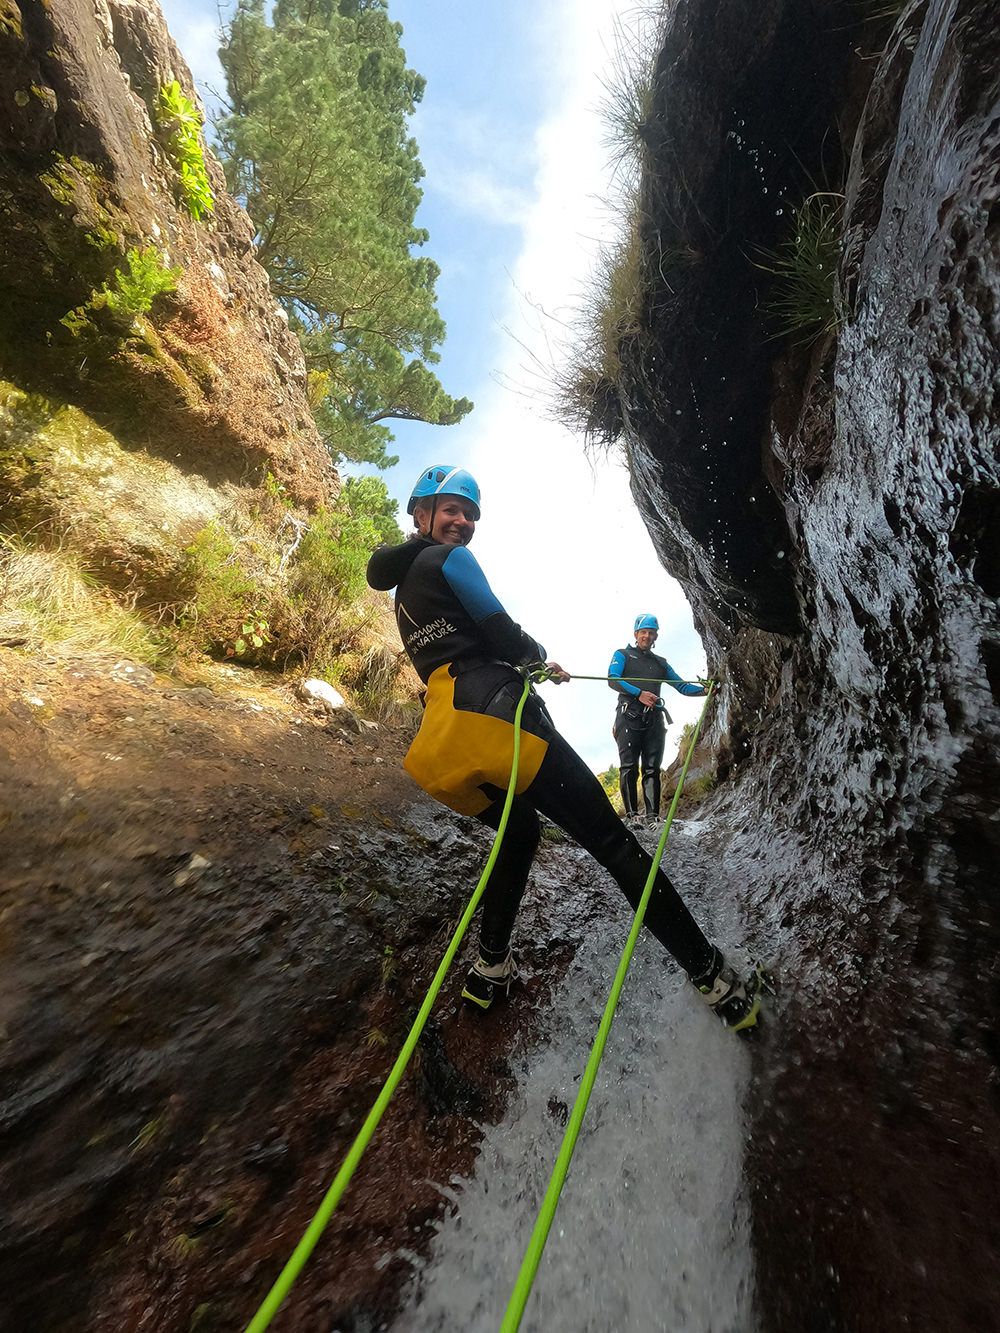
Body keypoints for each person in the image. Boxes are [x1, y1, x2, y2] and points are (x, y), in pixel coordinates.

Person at [366, 464, 759, 1032]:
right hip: (500, 720)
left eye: (471, 514)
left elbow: (455, 646)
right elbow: (498, 626)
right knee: (613, 843)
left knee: (520, 831)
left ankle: (489, 967)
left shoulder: (404, 589)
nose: (464, 522)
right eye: (452, 508)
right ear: (421, 512)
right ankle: (717, 980)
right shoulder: (450, 560)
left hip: (447, 742)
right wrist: (534, 653)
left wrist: (520, 659)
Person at [609, 615, 708, 824]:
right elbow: (613, 678)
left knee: (652, 768)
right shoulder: (622, 655)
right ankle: (632, 816)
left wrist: (706, 690)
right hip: (628, 717)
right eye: (643, 631)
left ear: (656, 636)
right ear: (636, 634)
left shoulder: (660, 663)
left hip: (654, 718)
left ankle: (653, 816)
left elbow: (682, 686)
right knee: (629, 766)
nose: (647, 635)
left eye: (651, 632)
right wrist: (639, 694)